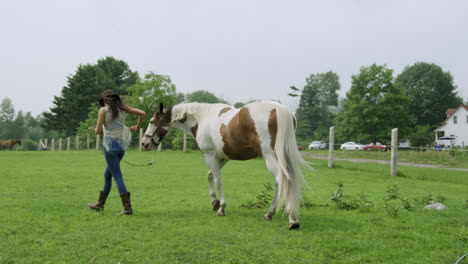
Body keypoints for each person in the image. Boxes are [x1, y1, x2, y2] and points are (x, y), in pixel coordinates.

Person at [87, 90, 146, 215]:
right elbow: (143, 113)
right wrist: (137, 126)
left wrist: (102, 131)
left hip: (110, 147)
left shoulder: (103, 110)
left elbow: (98, 131)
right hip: (121, 147)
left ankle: (127, 208)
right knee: (107, 175)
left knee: (117, 176)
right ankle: (99, 204)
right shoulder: (123, 108)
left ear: (104, 100)